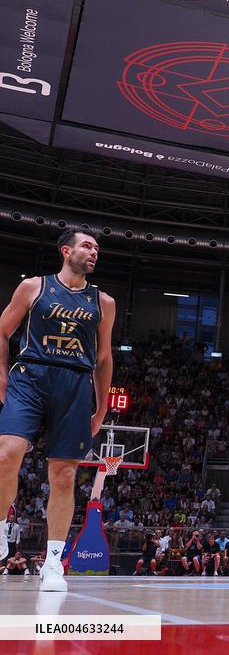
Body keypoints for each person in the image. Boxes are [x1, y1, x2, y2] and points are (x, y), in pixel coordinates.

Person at [0, 228, 116, 591]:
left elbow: (103, 357)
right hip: (31, 375)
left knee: (64, 476)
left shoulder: (104, 302)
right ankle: (2, 530)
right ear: (66, 250)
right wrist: (2, 376)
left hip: (75, 384)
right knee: (7, 454)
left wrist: (102, 407)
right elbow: (3, 330)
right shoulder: (34, 287)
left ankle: (53, 563)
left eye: (97, 247)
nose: (94, 251)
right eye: (87, 245)